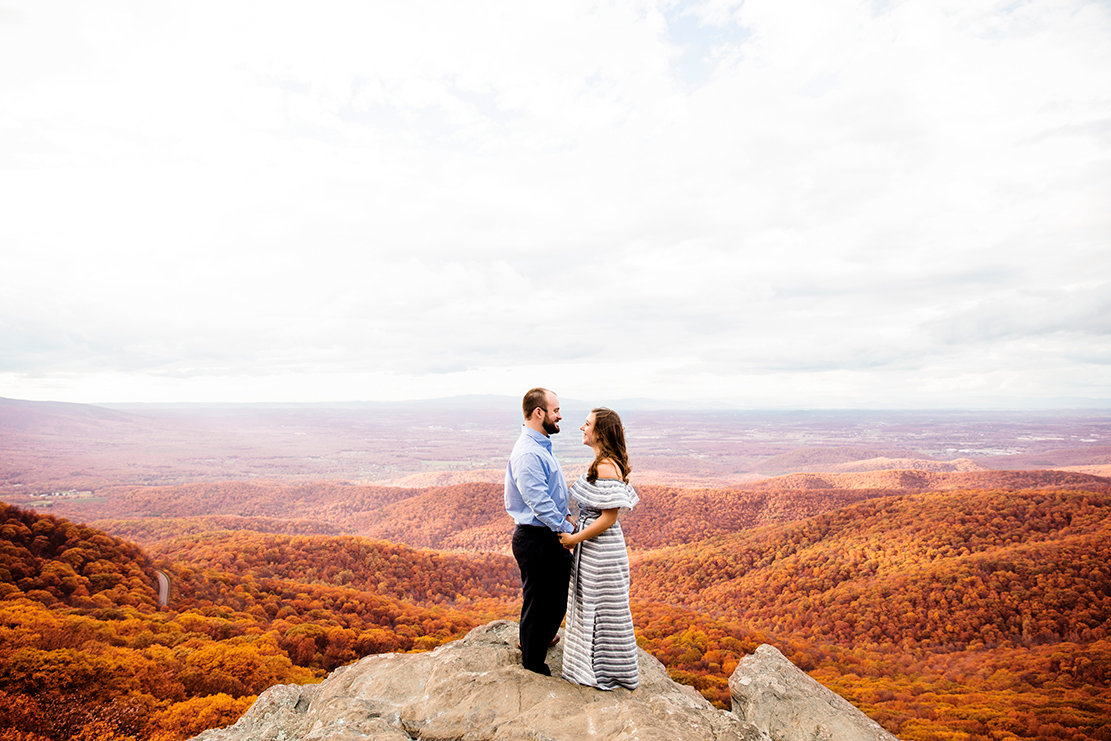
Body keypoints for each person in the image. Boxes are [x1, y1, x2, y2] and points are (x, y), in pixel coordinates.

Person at [558, 407, 640, 690]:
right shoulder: (607, 463)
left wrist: (573, 540)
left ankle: (602, 672)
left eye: (587, 423)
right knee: (603, 608)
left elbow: (609, 517)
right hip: (599, 549)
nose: (582, 427)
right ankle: (604, 668)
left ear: (601, 432)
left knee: (599, 608)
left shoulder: (605, 467)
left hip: (600, 551)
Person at [505, 387, 575, 675]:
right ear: (539, 413)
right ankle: (533, 663)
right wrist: (565, 528)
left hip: (546, 534)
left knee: (557, 594)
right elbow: (538, 501)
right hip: (537, 538)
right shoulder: (529, 453)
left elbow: (552, 494)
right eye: (555, 410)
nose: (559, 416)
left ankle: (539, 637)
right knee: (539, 601)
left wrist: (567, 515)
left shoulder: (541, 445)